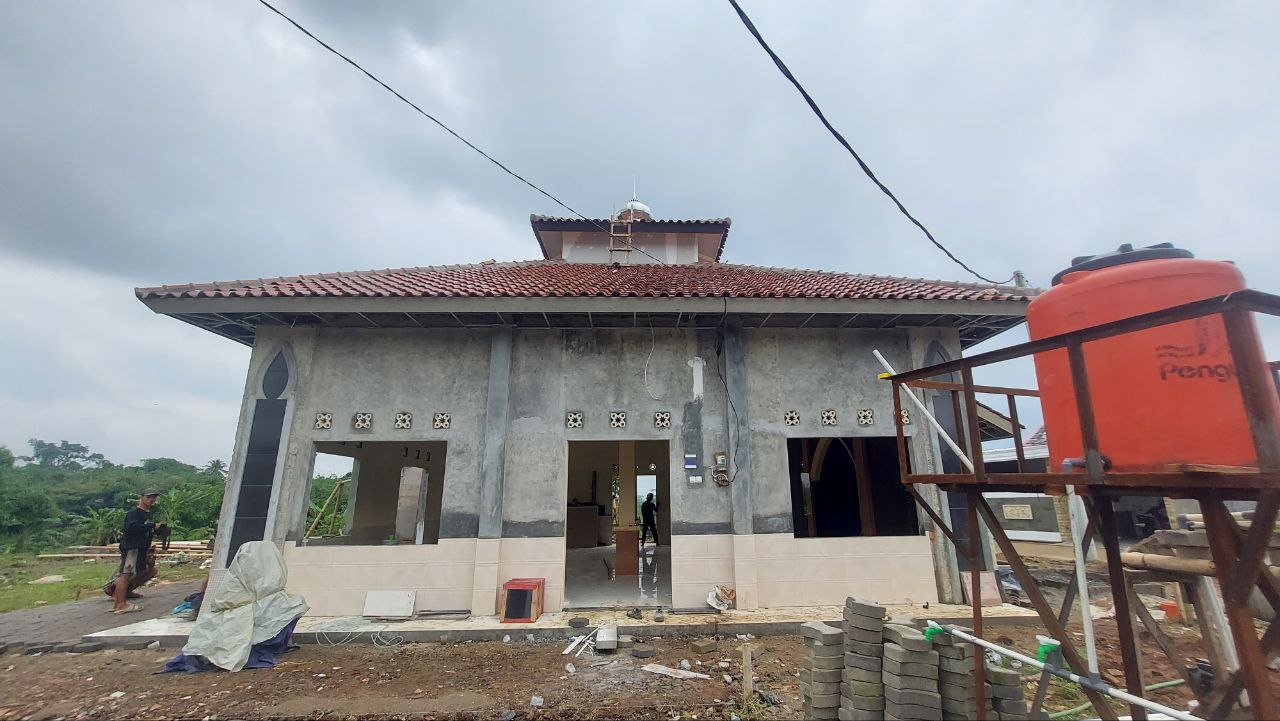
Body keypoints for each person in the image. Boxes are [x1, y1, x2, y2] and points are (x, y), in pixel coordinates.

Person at [106, 490, 162, 614]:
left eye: (153, 497)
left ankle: (118, 603)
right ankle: (121, 604)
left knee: (133, 573)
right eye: (149, 497)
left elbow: (144, 530)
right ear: (141, 498)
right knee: (126, 574)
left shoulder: (147, 514)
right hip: (132, 548)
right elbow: (131, 528)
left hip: (139, 548)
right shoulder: (134, 513)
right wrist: (151, 526)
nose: (151, 499)